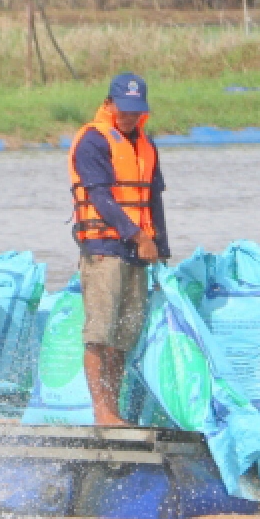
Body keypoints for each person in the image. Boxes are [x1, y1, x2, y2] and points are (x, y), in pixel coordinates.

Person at [67, 72, 170, 427]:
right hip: (103, 249)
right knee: (100, 333)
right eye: (123, 109)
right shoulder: (92, 142)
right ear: (109, 104)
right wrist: (137, 236)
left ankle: (115, 411)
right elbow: (100, 197)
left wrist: (160, 246)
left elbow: (152, 199)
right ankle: (103, 413)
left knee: (123, 337)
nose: (128, 116)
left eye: (135, 110)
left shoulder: (146, 144)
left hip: (136, 253)